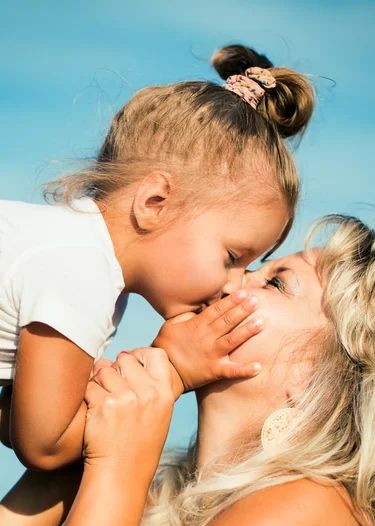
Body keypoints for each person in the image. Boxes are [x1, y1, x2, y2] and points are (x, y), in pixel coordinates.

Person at [1, 214, 375, 526]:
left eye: (275, 283)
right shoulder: (162, 507)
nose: (231, 282)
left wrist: (118, 465)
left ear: (321, 377)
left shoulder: (315, 511)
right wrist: (73, 440)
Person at [0, 43, 315, 471]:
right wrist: (171, 372)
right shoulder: (82, 273)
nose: (236, 283)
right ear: (154, 202)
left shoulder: (71, 248)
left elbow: (16, 418)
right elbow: (44, 445)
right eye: (231, 256)